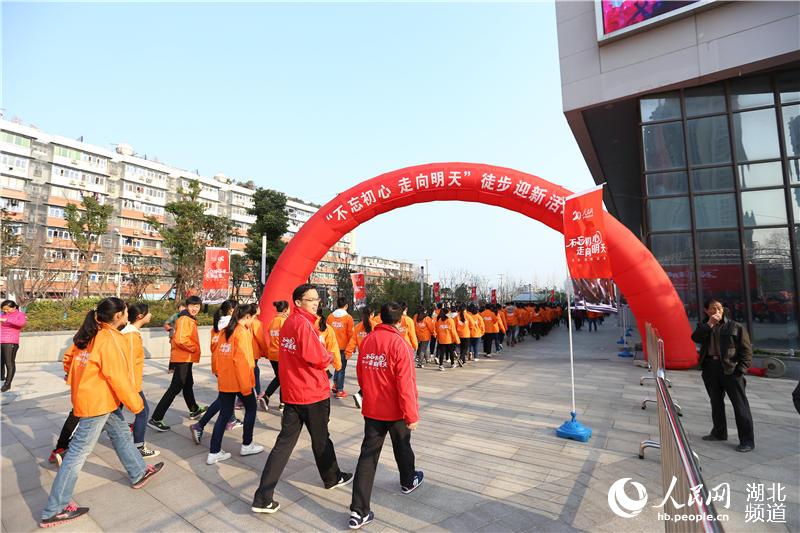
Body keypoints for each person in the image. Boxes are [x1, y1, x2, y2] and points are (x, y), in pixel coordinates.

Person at [40, 298, 164, 528]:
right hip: (98, 402)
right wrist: (136, 405)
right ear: (118, 316)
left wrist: (78, 380)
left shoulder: (89, 332)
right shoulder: (109, 338)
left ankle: (138, 471)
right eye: (125, 312)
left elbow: (69, 360)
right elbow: (117, 376)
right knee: (77, 453)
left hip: (96, 399)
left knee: (121, 434)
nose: (127, 315)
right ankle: (55, 509)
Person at [251, 284, 353, 514]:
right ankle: (332, 477)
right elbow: (316, 357)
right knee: (321, 439)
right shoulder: (303, 325)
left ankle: (263, 497)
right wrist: (328, 355)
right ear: (298, 302)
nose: (316, 303)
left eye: (317, 299)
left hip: (294, 393)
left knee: (284, 445)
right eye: (311, 299)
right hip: (311, 392)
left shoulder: (289, 323)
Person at [348, 302, 423, 530]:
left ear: (380, 318)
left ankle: (358, 511)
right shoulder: (400, 344)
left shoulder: (368, 340)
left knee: (367, 457)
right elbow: (406, 384)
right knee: (402, 445)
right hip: (395, 410)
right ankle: (408, 481)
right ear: (400, 320)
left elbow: (361, 373)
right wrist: (411, 415)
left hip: (373, 409)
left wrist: (369, 394)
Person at [691, 299, 755, 453]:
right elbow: (695, 338)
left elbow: (746, 351)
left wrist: (741, 369)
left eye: (719, 308)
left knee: (740, 405)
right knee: (716, 402)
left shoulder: (735, 326)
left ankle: (747, 441)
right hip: (710, 368)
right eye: (713, 308)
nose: (717, 311)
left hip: (731, 369)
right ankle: (719, 432)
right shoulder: (704, 326)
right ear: (706, 311)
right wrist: (709, 324)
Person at [207, 304, 265, 464]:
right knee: (251, 409)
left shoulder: (225, 331)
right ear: (247, 317)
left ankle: (214, 452)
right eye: (253, 317)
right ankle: (247, 444)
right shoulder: (242, 333)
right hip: (240, 381)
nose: (253, 321)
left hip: (225, 380)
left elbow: (217, 355)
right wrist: (247, 387)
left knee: (224, 415)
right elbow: (243, 361)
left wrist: (218, 373)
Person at [149, 296, 206, 432]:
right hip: (183, 357)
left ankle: (194, 410)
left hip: (185, 357)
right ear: (187, 306)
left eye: (197, 306)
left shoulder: (187, 318)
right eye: (192, 306)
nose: (195, 309)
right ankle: (156, 418)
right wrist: (194, 348)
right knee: (175, 388)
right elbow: (181, 340)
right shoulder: (185, 319)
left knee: (188, 384)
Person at [191, 300, 242, 445]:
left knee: (228, 396)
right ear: (232, 310)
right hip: (227, 366)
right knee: (224, 398)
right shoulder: (230, 325)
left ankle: (231, 419)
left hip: (219, 364)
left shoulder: (217, 325)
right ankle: (199, 425)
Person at [121, 303, 160, 458]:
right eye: (148, 313)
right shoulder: (131, 335)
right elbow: (130, 363)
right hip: (130, 383)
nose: (150, 315)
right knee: (143, 412)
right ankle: (139, 447)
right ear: (140, 316)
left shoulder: (131, 333)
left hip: (128, 382)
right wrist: (132, 388)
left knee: (110, 416)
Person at [263, 300, 289, 411]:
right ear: (285, 310)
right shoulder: (284, 321)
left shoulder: (273, 321)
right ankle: (268, 397)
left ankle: (280, 402)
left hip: (272, 354)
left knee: (280, 378)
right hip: (281, 355)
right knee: (282, 378)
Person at [327, 297, 355, 398]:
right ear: (346, 306)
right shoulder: (348, 318)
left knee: (337, 366)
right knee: (341, 368)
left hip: (332, 347)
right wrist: (352, 347)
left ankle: (335, 385)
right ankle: (340, 390)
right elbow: (351, 334)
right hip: (343, 347)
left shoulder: (330, 317)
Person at [346, 306, 373, 409]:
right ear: (372, 315)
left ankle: (362, 396)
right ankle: (361, 395)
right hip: (373, 357)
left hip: (362, 358)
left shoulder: (358, 327)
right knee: (371, 381)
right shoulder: (376, 326)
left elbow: (352, 341)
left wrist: (348, 352)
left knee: (365, 380)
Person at [0, 299, 26, 392]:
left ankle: (7, 384)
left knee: (9, 363)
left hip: (10, 341)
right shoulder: (2, 314)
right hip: (1, 340)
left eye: (7, 309)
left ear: (14, 307)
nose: (5, 311)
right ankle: (2, 376)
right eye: (3, 309)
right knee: (1, 361)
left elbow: (22, 323)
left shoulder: (20, 315)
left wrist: (6, 319)